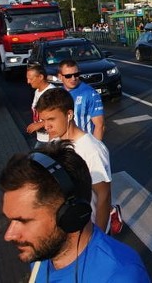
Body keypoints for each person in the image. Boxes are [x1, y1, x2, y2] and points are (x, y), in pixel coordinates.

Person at [0, 141, 151, 282]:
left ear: (70, 216)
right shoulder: (42, 252)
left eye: (23, 221)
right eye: (10, 220)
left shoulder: (120, 275)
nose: (9, 235)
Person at [35, 88, 112, 232]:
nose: (46, 126)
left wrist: (98, 238)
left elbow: (104, 196)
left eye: (51, 119)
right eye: (43, 120)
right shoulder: (54, 142)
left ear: (69, 114)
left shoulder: (91, 150)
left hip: (87, 232)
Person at [58, 60, 105, 141]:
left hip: (84, 145)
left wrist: (94, 148)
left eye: (76, 74)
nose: (73, 78)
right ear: (60, 77)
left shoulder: (90, 93)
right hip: (65, 145)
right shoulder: (59, 93)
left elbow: (100, 125)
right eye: (68, 76)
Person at [26, 64, 56, 149]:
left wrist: (40, 124)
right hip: (41, 138)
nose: (28, 81)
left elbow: (56, 115)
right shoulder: (37, 91)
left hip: (50, 140)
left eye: (31, 79)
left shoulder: (50, 93)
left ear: (41, 77)